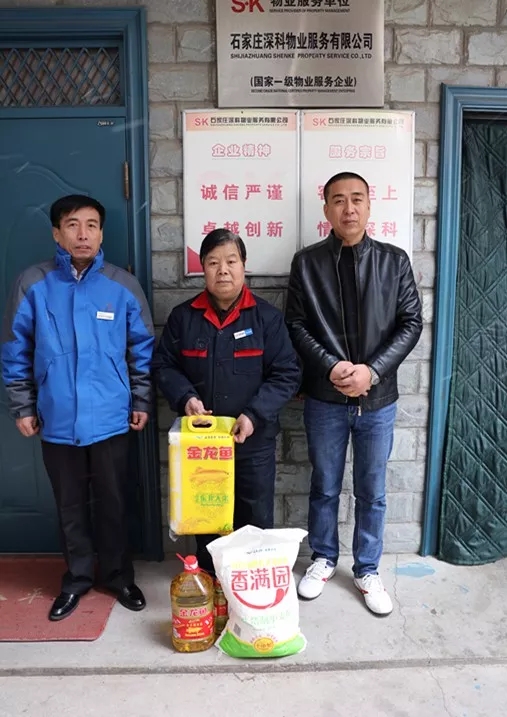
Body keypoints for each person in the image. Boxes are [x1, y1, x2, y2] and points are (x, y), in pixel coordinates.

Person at [1, 194, 155, 621]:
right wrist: (22, 405)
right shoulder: (33, 284)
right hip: (56, 417)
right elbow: (15, 349)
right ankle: (77, 578)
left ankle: (119, 576)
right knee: (69, 506)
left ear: (102, 233)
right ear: (57, 233)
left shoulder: (122, 286)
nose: (82, 234)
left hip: (111, 417)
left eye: (91, 225)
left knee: (114, 503)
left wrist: (141, 399)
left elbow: (141, 349)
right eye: (72, 225)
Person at [285, 172, 422, 615]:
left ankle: (367, 569)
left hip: (377, 400)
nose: (349, 208)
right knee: (324, 485)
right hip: (325, 396)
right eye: (339, 200)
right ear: (326, 209)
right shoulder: (307, 263)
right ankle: (324, 558)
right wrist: (331, 365)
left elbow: (411, 323)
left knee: (372, 490)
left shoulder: (394, 261)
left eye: (357, 199)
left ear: (369, 205)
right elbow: (296, 324)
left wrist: (373, 372)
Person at [153, 228, 300, 573]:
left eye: (231, 261)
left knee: (254, 519)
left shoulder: (266, 318)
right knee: (207, 520)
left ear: (244, 265)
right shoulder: (183, 318)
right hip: (203, 446)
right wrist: (185, 397)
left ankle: (250, 585)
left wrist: (254, 414)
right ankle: (211, 581)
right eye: (213, 263)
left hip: (253, 442)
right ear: (202, 268)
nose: (223, 270)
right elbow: (163, 365)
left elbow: (286, 373)